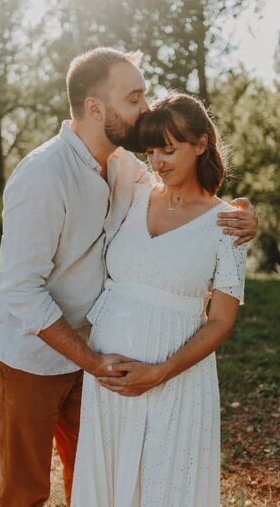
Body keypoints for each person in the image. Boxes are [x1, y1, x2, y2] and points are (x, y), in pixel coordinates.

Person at [0, 48, 257, 507]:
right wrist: (94, 362)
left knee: (92, 483)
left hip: (93, 359)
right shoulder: (44, 175)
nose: (145, 108)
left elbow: (192, 199)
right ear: (95, 107)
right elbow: (20, 290)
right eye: (134, 98)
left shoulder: (125, 168)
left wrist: (246, 216)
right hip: (32, 358)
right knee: (25, 492)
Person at [71, 92, 247, 507]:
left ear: (201, 143)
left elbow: (222, 320)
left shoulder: (227, 224)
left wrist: (161, 371)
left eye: (169, 150)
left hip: (178, 382)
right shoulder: (132, 193)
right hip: (109, 380)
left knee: (165, 486)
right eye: (151, 151)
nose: (158, 162)